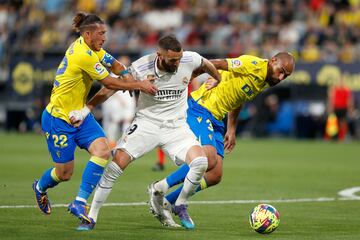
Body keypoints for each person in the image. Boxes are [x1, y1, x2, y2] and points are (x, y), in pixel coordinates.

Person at [74, 34, 221, 230]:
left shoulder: (188, 58)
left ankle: (178, 203)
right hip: (146, 124)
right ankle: (91, 217)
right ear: (159, 55)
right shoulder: (140, 67)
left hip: (176, 126)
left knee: (201, 162)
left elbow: (206, 63)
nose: (177, 64)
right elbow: (112, 88)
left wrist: (217, 78)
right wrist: (87, 109)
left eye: (179, 58)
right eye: (172, 60)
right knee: (116, 165)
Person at [32, 12, 157, 222]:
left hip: (80, 114)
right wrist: (139, 84)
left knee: (102, 150)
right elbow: (109, 83)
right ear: (88, 34)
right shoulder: (83, 54)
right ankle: (40, 186)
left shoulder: (93, 48)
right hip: (59, 119)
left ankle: (79, 202)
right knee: (64, 174)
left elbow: (116, 65)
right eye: (101, 33)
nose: (104, 37)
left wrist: (126, 75)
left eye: (105, 33)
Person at [148, 52, 295, 227]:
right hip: (201, 107)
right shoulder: (253, 64)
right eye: (281, 71)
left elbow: (239, 97)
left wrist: (232, 129)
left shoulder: (264, 80)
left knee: (215, 175)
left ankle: (170, 202)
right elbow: (214, 63)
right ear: (272, 61)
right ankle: (160, 187)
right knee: (208, 157)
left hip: (217, 118)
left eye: (285, 76)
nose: (281, 77)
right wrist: (212, 77)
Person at [101, 55, 136, 148]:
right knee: (113, 121)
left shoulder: (129, 75)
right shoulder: (113, 75)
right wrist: (120, 100)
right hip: (114, 103)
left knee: (127, 121)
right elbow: (109, 88)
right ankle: (111, 141)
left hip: (127, 102)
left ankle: (126, 140)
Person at [326, 75, 354, 141]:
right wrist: (330, 108)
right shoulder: (334, 89)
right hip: (336, 108)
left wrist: (350, 110)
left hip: (343, 108)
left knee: (343, 123)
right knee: (333, 123)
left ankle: (344, 137)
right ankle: (333, 137)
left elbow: (349, 101)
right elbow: (331, 100)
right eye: (339, 81)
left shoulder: (346, 90)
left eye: (341, 81)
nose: (340, 82)